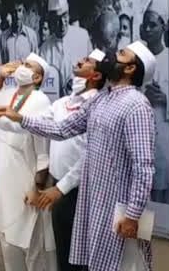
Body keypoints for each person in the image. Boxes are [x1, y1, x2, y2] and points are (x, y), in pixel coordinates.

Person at [0, 41, 157, 271]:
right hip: (94, 204)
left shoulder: (137, 105)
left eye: (121, 53)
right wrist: (21, 119)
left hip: (119, 211)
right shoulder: (102, 99)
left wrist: (132, 214)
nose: (112, 56)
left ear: (131, 68)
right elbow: (63, 129)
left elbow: (143, 166)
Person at [0, 54, 54, 271]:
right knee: (8, 243)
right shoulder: (11, 95)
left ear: (38, 77)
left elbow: (41, 146)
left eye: (28, 66)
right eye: (22, 63)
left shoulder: (40, 100)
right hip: (6, 183)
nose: (21, 67)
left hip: (26, 179)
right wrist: (1, 76)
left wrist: (38, 186)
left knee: (33, 247)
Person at [41, 50, 110, 271]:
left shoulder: (100, 105)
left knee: (85, 260)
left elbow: (90, 156)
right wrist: (0, 115)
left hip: (84, 192)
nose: (78, 61)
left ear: (97, 76)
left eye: (87, 61)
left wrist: (62, 187)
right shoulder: (61, 103)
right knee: (64, 256)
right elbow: (37, 125)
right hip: (59, 188)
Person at [140, 1, 169, 204]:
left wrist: (165, 99)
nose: (148, 29)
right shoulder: (138, 60)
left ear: (164, 27)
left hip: (162, 135)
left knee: (160, 188)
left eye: (153, 25)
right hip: (141, 134)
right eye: (146, 25)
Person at [39, 0, 92, 98]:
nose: (62, 23)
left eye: (65, 16)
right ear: (51, 20)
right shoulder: (45, 50)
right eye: (57, 19)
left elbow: (93, 70)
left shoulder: (82, 36)